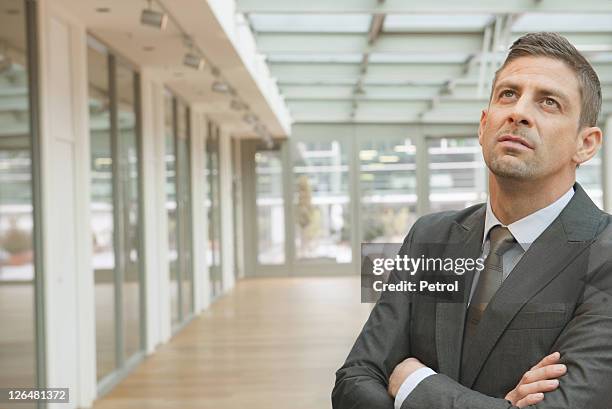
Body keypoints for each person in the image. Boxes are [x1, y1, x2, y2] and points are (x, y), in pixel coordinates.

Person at [332, 32, 612, 409]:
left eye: (549, 102)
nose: (519, 112)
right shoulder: (428, 235)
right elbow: (353, 380)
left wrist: (415, 383)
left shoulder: (605, 254)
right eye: (508, 94)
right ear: (483, 125)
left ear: (587, 144)